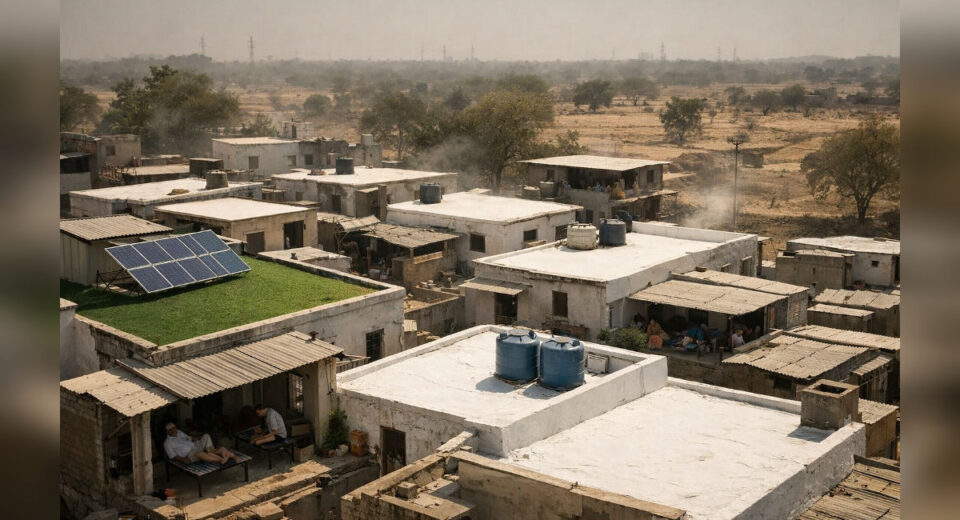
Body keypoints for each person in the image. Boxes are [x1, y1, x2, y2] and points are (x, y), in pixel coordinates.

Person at [164, 423, 240, 465]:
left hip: (195, 445)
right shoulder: (167, 443)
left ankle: (214, 452)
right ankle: (221, 460)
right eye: (170, 430)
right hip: (189, 454)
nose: (173, 430)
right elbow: (173, 456)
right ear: (167, 432)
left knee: (206, 436)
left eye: (174, 428)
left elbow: (190, 438)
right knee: (200, 453)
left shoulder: (179, 432)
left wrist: (200, 438)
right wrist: (184, 460)